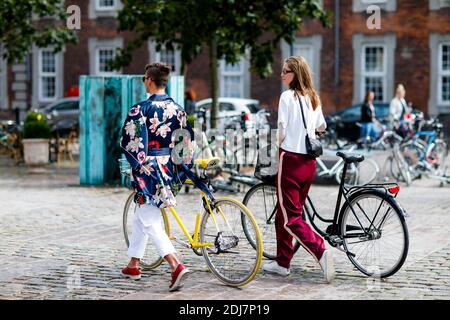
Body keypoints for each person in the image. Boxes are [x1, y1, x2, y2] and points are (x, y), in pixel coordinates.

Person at [119, 62, 195, 291]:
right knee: (144, 212)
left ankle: (175, 264)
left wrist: (137, 163)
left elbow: (129, 142)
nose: (144, 81)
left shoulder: (140, 109)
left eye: (144, 78)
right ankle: (133, 263)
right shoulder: (178, 109)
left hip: (147, 167)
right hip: (168, 166)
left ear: (150, 80)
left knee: (148, 215)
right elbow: (185, 142)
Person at [262, 56, 335, 283]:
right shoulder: (313, 96)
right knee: (283, 213)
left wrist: (277, 148)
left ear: (295, 74)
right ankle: (283, 262)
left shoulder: (287, 97)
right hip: (309, 163)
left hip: (290, 160)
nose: (282, 75)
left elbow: (281, 132)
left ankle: (321, 250)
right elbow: (322, 127)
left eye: (285, 71)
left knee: (291, 218)